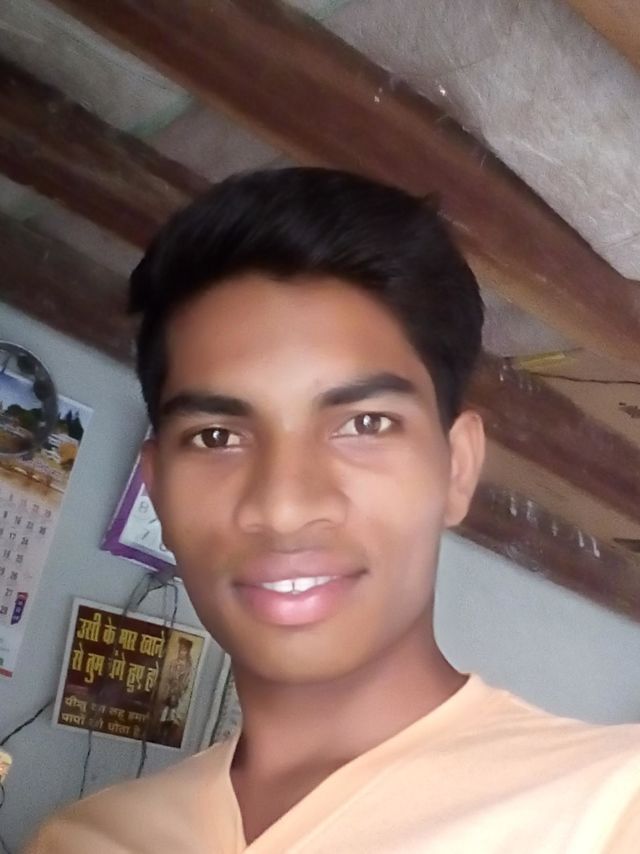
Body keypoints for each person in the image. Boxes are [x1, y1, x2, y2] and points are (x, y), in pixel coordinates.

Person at [26, 168, 640, 852]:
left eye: (365, 424)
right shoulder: (82, 840)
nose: (284, 507)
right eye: (217, 437)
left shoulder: (610, 807)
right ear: (159, 489)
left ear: (457, 468)